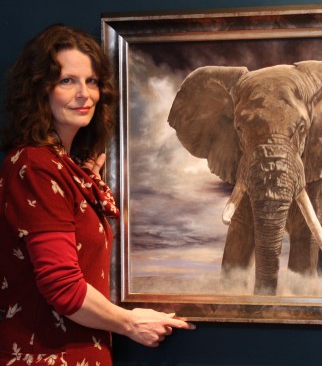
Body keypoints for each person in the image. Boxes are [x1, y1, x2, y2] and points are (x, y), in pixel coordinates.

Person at [0, 24, 195, 365]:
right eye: (67, 81)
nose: (84, 94)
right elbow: (62, 287)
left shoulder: (62, 167)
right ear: (39, 90)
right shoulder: (35, 165)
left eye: (91, 81)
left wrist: (82, 181)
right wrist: (131, 322)